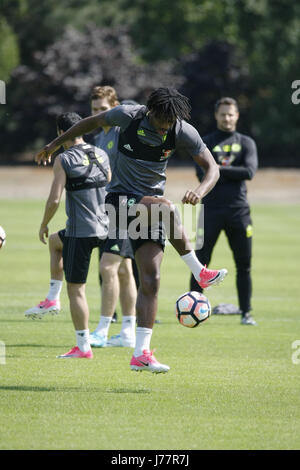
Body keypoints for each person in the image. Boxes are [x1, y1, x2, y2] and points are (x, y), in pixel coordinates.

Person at [35, 87, 228, 372]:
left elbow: (213, 168)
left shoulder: (181, 129)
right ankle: (200, 271)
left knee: (151, 280)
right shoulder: (127, 115)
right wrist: (53, 145)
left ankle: (141, 354)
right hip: (118, 202)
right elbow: (88, 123)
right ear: (150, 113)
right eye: (159, 124)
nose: (164, 131)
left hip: (147, 209)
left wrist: (200, 191)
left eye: (168, 126)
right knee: (167, 207)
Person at [25, 86, 137, 349]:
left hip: (120, 210)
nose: (99, 115)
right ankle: (122, 331)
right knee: (121, 270)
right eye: (95, 110)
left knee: (115, 270)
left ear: (116, 107)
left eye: (104, 110)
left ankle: (109, 329)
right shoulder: (98, 142)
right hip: (106, 214)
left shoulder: (122, 133)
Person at [31, 111, 111, 358]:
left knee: (76, 289)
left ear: (60, 133)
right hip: (107, 227)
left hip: (81, 231)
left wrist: (44, 223)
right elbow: (108, 182)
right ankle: (52, 297)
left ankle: (83, 346)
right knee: (56, 241)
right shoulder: (102, 153)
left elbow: (55, 199)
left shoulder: (64, 159)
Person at [190, 97, 258, 325]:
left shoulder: (246, 142)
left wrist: (216, 170)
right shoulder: (206, 142)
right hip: (210, 211)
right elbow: (201, 175)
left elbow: (249, 172)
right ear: (216, 116)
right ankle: (194, 308)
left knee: (244, 264)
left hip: (239, 212)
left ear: (237, 116)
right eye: (223, 114)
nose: (227, 118)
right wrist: (225, 171)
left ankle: (246, 312)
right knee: (200, 263)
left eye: (231, 114)